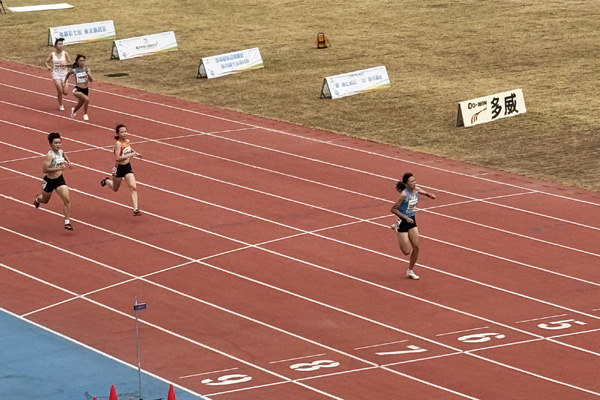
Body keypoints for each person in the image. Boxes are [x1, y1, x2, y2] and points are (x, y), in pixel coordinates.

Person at [390, 172, 436, 280]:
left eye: (414, 180)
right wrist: (405, 218)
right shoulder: (404, 195)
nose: (414, 183)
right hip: (403, 221)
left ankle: (410, 270)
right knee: (406, 252)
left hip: (412, 220)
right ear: (406, 184)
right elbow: (393, 209)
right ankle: (396, 228)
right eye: (411, 182)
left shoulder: (416, 189)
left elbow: (422, 191)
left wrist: (429, 195)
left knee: (416, 246)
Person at [34, 132, 74, 230]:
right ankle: (37, 199)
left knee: (67, 199)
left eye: (59, 143)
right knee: (45, 200)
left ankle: (67, 222)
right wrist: (58, 169)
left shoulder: (60, 151)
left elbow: (64, 154)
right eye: (55, 143)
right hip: (49, 181)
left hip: (59, 180)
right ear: (51, 144)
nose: (58, 145)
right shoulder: (49, 155)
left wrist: (69, 162)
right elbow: (45, 169)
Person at [100, 124, 143, 216]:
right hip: (119, 168)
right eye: (122, 132)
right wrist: (130, 155)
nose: (124, 133)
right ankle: (107, 181)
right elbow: (118, 158)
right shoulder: (118, 144)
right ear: (118, 134)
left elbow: (129, 149)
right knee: (115, 188)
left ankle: (135, 208)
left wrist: (135, 153)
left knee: (133, 187)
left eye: (125, 131)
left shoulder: (127, 141)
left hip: (127, 167)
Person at [44, 38, 71, 111]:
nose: (60, 46)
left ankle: (60, 94)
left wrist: (65, 64)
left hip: (64, 74)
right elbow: (46, 61)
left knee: (65, 92)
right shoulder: (52, 54)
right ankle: (61, 105)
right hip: (56, 74)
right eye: (59, 44)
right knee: (60, 91)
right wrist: (48, 67)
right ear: (55, 45)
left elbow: (71, 64)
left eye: (61, 44)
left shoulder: (65, 53)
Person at [65, 54, 93, 121]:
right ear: (77, 62)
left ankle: (74, 111)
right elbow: (68, 74)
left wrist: (88, 74)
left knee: (80, 103)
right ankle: (85, 114)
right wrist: (65, 81)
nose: (82, 62)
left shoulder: (87, 69)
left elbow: (91, 80)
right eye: (80, 61)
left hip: (85, 90)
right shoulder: (75, 70)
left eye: (83, 60)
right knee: (87, 99)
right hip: (77, 89)